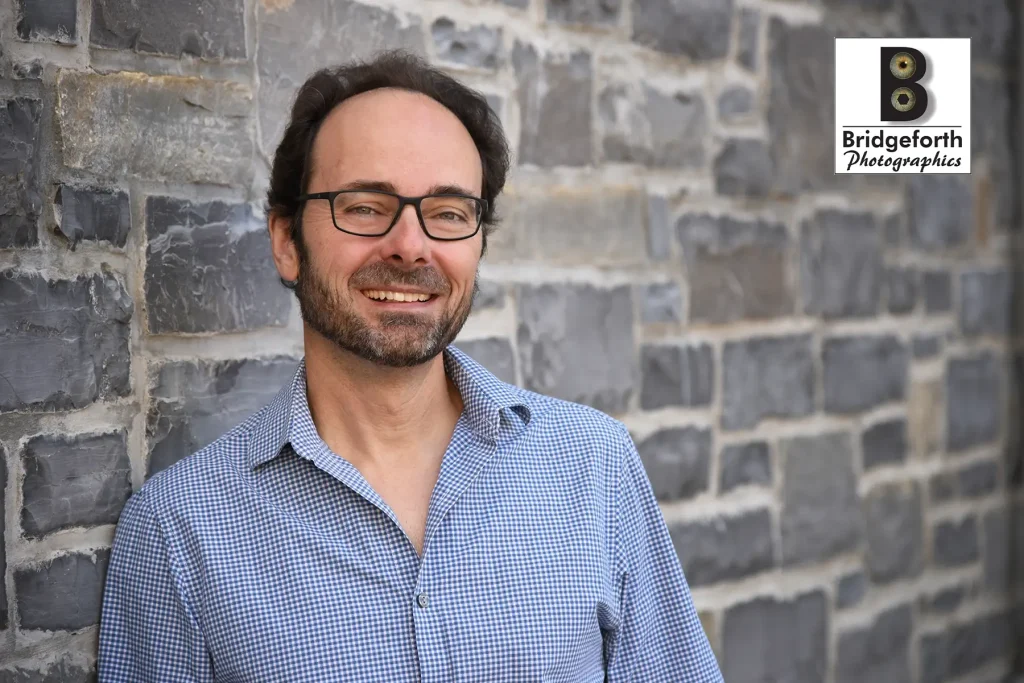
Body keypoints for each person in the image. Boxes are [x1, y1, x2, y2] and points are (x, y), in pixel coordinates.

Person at [97, 50, 723, 682]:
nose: (411, 246)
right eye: (366, 206)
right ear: (287, 242)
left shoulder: (595, 468)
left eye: (449, 213)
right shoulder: (178, 532)